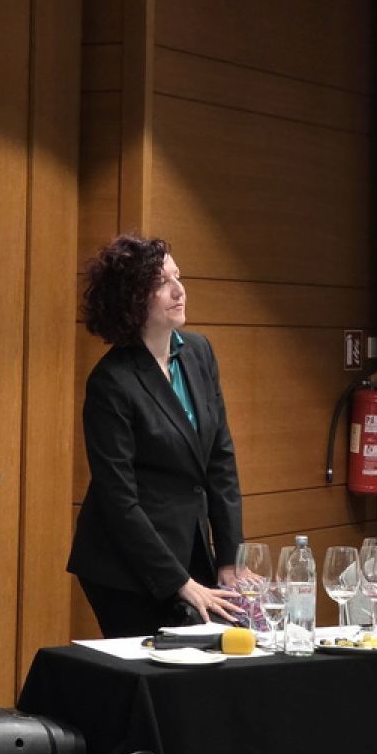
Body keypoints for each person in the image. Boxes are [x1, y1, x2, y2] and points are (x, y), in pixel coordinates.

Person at [68, 234, 246, 637]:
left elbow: (220, 459)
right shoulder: (111, 381)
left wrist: (230, 557)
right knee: (156, 667)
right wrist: (179, 582)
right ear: (132, 299)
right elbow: (118, 499)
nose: (179, 290)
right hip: (125, 565)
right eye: (162, 283)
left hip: (189, 546)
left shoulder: (199, 352)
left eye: (178, 276)